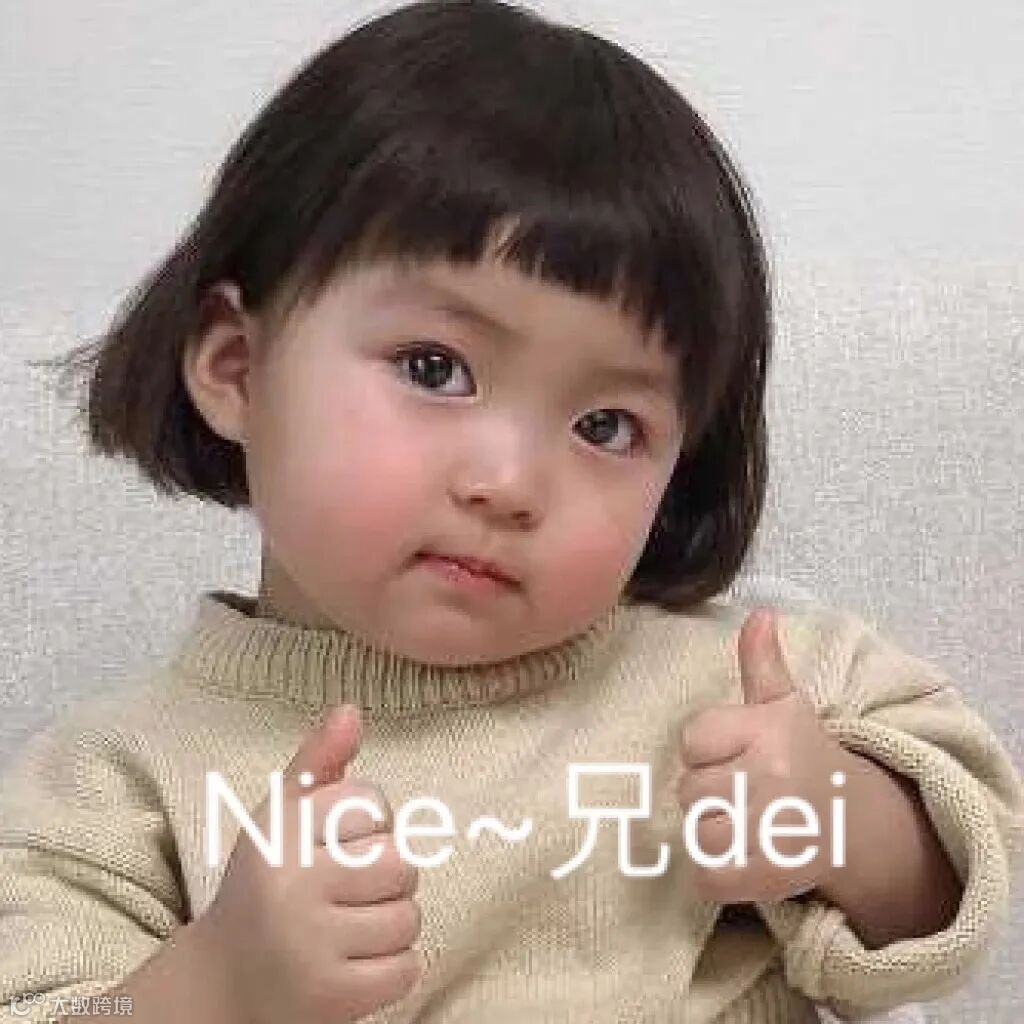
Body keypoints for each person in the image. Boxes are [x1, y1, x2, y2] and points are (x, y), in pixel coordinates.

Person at [4, 1, 1022, 1022]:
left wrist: (841, 815)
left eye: (605, 426)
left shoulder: (737, 684)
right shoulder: (117, 780)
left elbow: (961, 872)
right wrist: (215, 986)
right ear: (236, 366)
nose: (510, 481)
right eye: (433, 368)